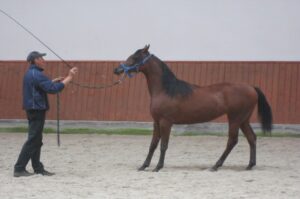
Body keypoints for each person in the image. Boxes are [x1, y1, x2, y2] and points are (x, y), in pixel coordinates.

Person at [13, 51, 78, 177]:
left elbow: (42, 86)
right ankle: (19, 168)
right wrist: (69, 77)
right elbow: (53, 90)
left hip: (33, 109)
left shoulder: (32, 73)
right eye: (41, 58)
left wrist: (52, 81)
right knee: (33, 139)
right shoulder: (37, 74)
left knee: (36, 140)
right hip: (36, 109)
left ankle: (37, 168)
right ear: (36, 60)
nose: (44, 60)